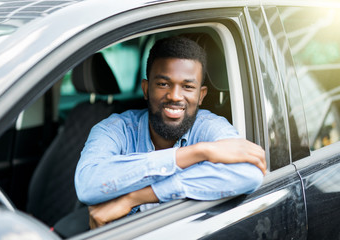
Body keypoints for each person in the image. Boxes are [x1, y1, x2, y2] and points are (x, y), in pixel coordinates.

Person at [74, 36, 266, 228]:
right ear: (146, 89)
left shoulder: (210, 127)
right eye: (163, 84)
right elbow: (88, 185)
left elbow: (250, 173)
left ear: (201, 96)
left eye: (188, 87)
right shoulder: (114, 129)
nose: (174, 96)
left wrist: (136, 197)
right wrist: (198, 153)